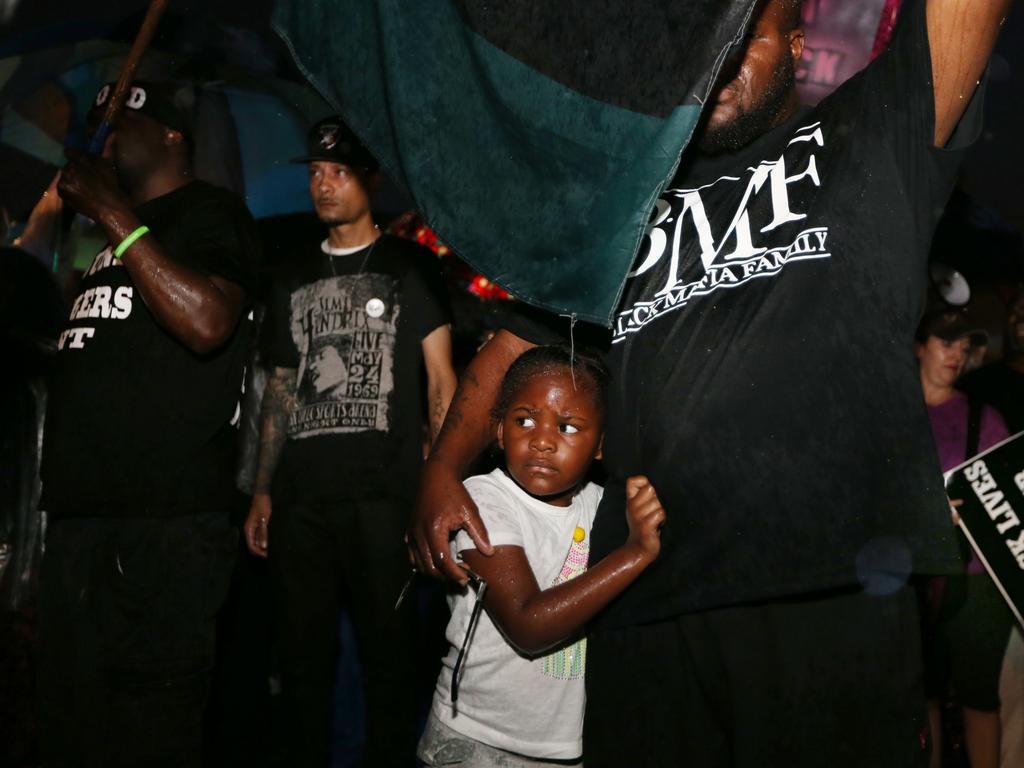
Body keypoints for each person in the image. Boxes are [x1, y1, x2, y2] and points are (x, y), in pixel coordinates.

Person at [409, 0, 1011, 765]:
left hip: (820, 592)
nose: (711, 59)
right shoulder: (620, 211)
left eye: (737, 37)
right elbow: (512, 345)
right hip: (641, 601)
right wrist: (440, 467)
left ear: (796, 45)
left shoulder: (869, 137)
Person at [36, 80, 260, 767]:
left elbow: (207, 321)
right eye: (101, 122)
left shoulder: (210, 216)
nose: (109, 132)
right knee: (70, 727)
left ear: (172, 136)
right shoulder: (101, 240)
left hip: (162, 527)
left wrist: (112, 213)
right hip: (79, 522)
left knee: (147, 735)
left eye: (126, 119)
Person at [242, 116, 457, 766]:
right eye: (314, 173)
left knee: (389, 658)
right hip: (302, 497)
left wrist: (438, 481)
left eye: (336, 172)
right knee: (302, 658)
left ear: (369, 179)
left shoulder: (408, 266)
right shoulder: (291, 274)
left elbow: (443, 381)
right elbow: (278, 388)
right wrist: (260, 489)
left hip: (384, 496)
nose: (322, 185)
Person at [418, 346, 665, 767]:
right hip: (475, 742)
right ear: (499, 431)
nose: (543, 441)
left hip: (562, 750)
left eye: (568, 427)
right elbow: (527, 624)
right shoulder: (483, 500)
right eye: (524, 420)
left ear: (601, 445)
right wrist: (635, 553)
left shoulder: (602, 506)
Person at [915, 308, 1012, 768]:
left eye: (963, 346)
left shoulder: (984, 418)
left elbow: (1011, 503)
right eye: (944, 341)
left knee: (979, 698)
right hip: (911, 577)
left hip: (976, 580)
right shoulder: (889, 413)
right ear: (919, 344)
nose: (956, 354)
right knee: (922, 695)